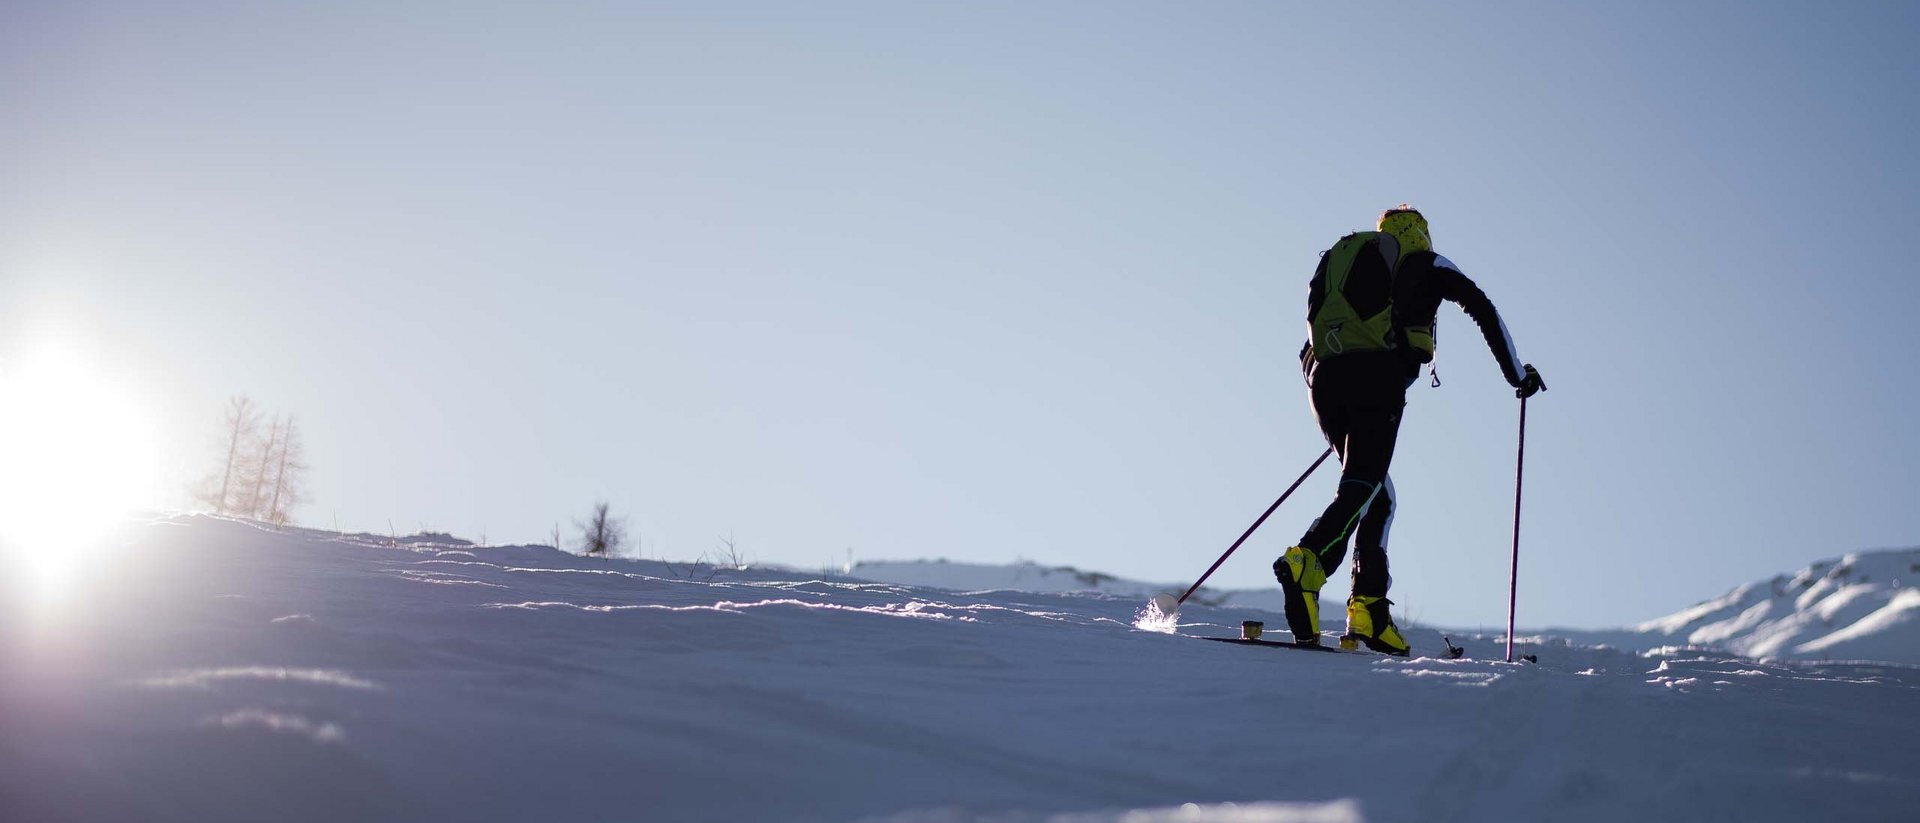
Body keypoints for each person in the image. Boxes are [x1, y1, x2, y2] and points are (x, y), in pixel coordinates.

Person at [1274, 206, 1544, 655]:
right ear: (1420, 232)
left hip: (1323, 380)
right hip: (1377, 377)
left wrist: (1335, 389)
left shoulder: (1344, 258)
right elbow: (1481, 307)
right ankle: (1310, 562)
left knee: (1377, 493)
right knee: (1364, 484)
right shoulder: (1424, 261)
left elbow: (1310, 338)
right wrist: (1518, 375)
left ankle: (1369, 611)